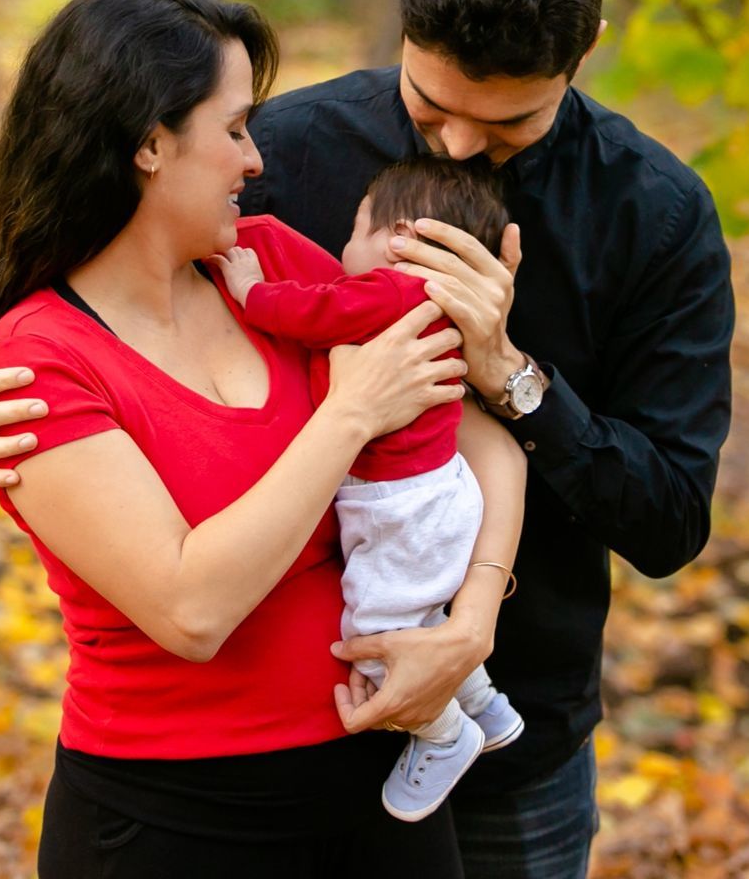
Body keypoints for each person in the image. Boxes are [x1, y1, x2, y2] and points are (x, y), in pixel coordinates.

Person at [0, 0, 736, 879]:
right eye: (432, 103)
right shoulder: (277, 170)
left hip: (508, 733)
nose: (456, 144)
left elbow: (666, 519)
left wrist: (512, 383)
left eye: (508, 122)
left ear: (585, 53)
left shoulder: (653, 215)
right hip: (267, 762)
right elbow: (104, 309)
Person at [0, 0, 528, 877]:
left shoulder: (267, 265)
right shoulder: (37, 361)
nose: (256, 161)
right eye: (231, 130)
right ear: (149, 143)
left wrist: (473, 625)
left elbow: (483, 442)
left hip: (378, 793)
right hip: (175, 817)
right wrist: (347, 415)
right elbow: (191, 611)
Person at [215, 154, 528, 822]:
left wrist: (249, 292)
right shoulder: (440, 305)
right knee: (427, 615)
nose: (342, 249)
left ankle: (445, 736)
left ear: (399, 240)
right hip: (442, 491)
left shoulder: (391, 291)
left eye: (355, 230)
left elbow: (316, 313)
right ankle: (487, 706)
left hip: (401, 503)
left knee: (379, 626)